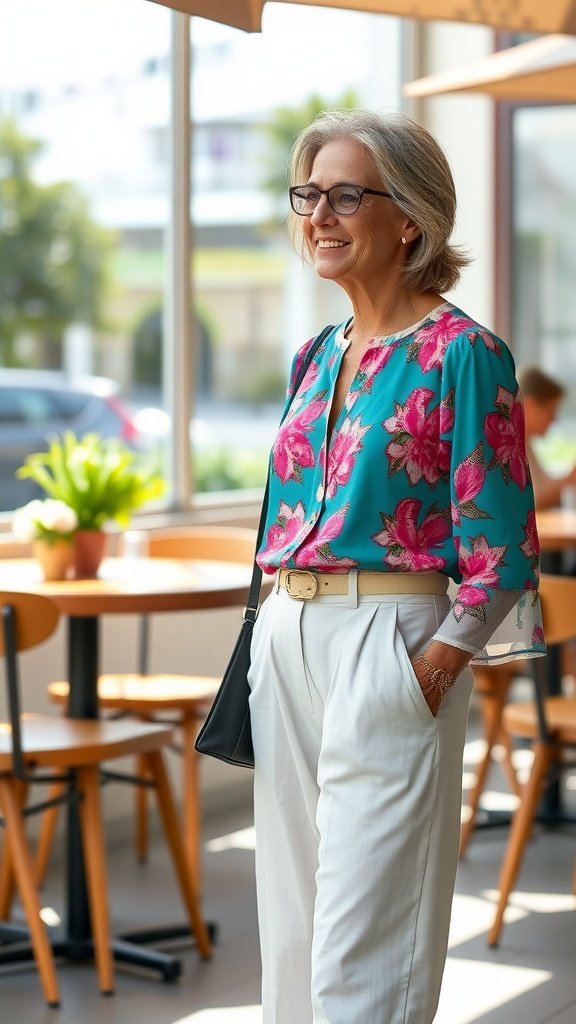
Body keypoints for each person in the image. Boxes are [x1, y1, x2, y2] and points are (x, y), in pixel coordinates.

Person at [247, 109, 544, 1024]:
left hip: (392, 636)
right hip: (286, 633)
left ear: (408, 218)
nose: (320, 215)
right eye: (309, 195)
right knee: (291, 922)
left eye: (345, 195)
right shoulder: (315, 354)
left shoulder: (466, 355)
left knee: (368, 930)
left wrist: (437, 663)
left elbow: (503, 547)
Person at [517, 364, 576, 509]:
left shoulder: (524, 442)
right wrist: (569, 479)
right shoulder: (513, 446)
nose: (554, 419)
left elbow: (541, 488)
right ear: (530, 406)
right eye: (551, 410)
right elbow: (533, 503)